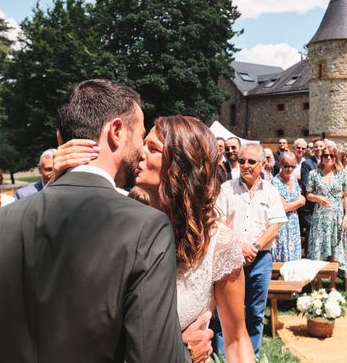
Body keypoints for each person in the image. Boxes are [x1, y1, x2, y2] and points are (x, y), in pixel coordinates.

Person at [0, 80, 187, 362]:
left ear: (58, 136)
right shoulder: (146, 228)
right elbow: (154, 357)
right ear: (115, 131)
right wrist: (187, 353)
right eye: (139, 134)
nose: (140, 149)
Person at [55, 115, 253, 362]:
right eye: (143, 144)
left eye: (153, 148)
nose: (140, 153)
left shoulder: (219, 243)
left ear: (181, 165)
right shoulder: (118, 220)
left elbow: (236, 338)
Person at [215, 143, 287, 358]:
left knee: (255, 311)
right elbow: (218, 220)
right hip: (230, 258)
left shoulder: (271, 192)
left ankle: (251, 356)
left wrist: (254, 247)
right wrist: (239, 246)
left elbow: (274, 226)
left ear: (263, 164)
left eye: (251, 162)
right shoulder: (226, 189)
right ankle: (223, 356)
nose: (245, 165)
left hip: (260, 259)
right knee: (225, 311)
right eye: (241, 160)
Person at [306, 144, 347, 277]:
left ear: (336, 157)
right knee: (319, 250)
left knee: (335, 249)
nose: (328, 158)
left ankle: (332, 284)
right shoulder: (314, 174)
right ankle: (318, 284)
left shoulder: (342, 174)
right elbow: (308, 195)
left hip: (337, 217)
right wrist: (318, 198)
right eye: (325, 155)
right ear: (321, 157)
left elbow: (346, 195)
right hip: (320, 217)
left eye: (331, 155)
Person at [272, 152, 305, 262]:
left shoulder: (294, 179)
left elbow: (302, 200)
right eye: (286, 166)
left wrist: (297, 203)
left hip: (294, 221)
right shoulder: (275, 182)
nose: (290, 169)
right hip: (282, 223)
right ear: (280, 165)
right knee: (282, 255)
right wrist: (298, 203)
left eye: (293, 166)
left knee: (294, 258)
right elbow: (283, 208)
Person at [300, 138, 325, 236]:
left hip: (324, 206)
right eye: (316, 146)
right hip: (311, 206)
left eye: (321, 146)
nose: (318, 148)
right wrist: (320, 196)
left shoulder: (329, 163)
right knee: (312, 233)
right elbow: (306, 184)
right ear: (313, 149)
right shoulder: (307, 164)